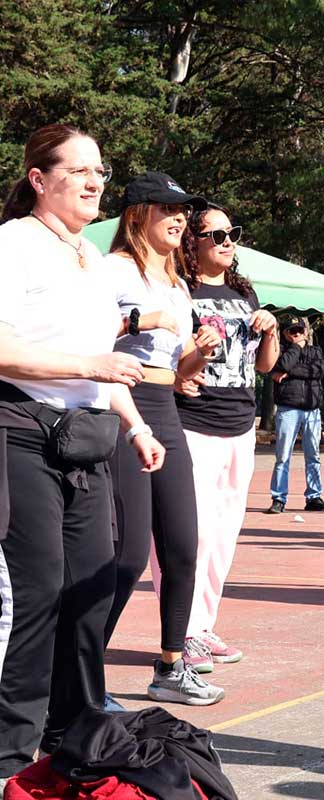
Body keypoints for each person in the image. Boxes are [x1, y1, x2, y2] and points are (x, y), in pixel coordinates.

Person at [0, 125, 164, 776]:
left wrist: (135, 425)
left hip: (88, 437)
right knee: (37, 592)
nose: (97, 180)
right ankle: (12, 756)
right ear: (39, 179)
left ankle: (71, 734)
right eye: (80, 169)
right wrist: (89, 365)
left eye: (101, 169)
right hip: (20, 429)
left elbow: (105, 369)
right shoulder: (13, 244)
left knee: (95, 587)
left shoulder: (93, 258)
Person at [102, 172, 226, 707]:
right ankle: (74, 672)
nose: (180, 219)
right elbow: (83, 338)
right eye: (167, 209)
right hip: (119, 407)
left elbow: (178, 371)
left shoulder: (178, 283)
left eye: (183, 212)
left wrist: (204, 350)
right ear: (137, 216)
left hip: (166, 408)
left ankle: (171, 665)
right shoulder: (111, 270)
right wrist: (136, 319)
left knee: (182, 543)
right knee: (127, 558)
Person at [170, 203, 279, 669]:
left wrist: (270, 329)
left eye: (233, 232)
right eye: (216, 235)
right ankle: (183, 631)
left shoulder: (243, 291)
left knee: (224, 535)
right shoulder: (179, 290)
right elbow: (172, 366)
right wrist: (191, 360)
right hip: (193, 422)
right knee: (190, 535)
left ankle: (204, 625)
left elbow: (265, 366)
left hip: (241, 425)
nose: (228, 241)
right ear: (192, 242)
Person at [267, 319, 324, 514]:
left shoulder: (315, 351)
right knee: (283, 456)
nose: (296, 333)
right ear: (285, 333)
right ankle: (278, 498)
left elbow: (319, 371)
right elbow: (282, 365)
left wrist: (289, 372)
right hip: (288, 408)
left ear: (305, 331)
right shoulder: (280, 349)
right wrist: (295, 349)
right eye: (292, 330)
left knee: (313, 455)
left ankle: (314, 496)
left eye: (299, 330)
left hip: (312, 409)